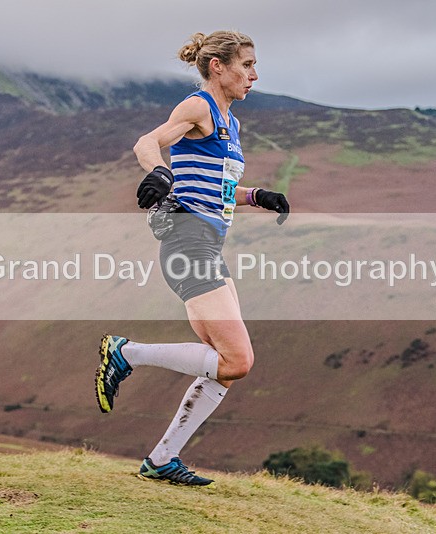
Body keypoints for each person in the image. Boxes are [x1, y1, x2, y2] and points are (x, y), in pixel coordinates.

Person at [95, 30, 290, 486]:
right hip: (187, 242)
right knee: (238, 360)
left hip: (206, 244)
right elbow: (148, 142)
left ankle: (163, 458)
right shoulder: (198, 106)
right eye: (247, 65)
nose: (254, 75)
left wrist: (257, 196)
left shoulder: (231, 123)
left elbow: (215, 188)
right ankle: (126, 353)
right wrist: (158, 172)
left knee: (222, 365)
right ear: (218, 66)